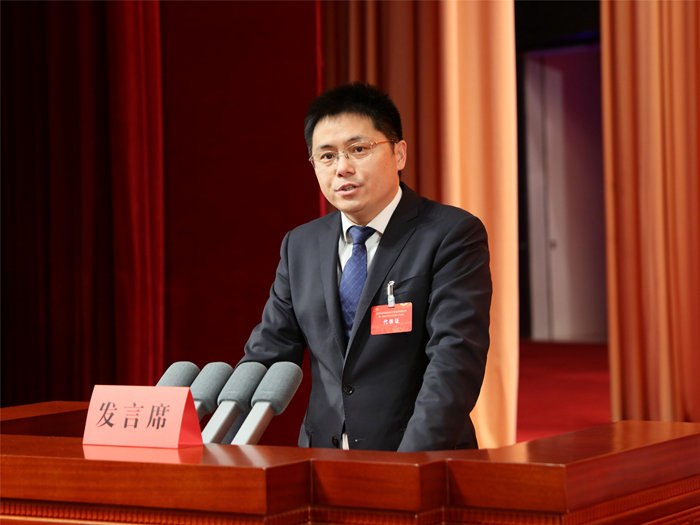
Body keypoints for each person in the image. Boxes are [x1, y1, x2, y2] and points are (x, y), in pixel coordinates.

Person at [240, 82, 491, 452]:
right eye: (326, 156)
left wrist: (406, 467)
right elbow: (268, 352)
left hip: (418, 459)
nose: (342, 168)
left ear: (399, 153)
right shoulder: (301, 245)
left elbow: (454, 360)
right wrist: (211, 438)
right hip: (321, 461)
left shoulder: (449, 234)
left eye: (358, 150)